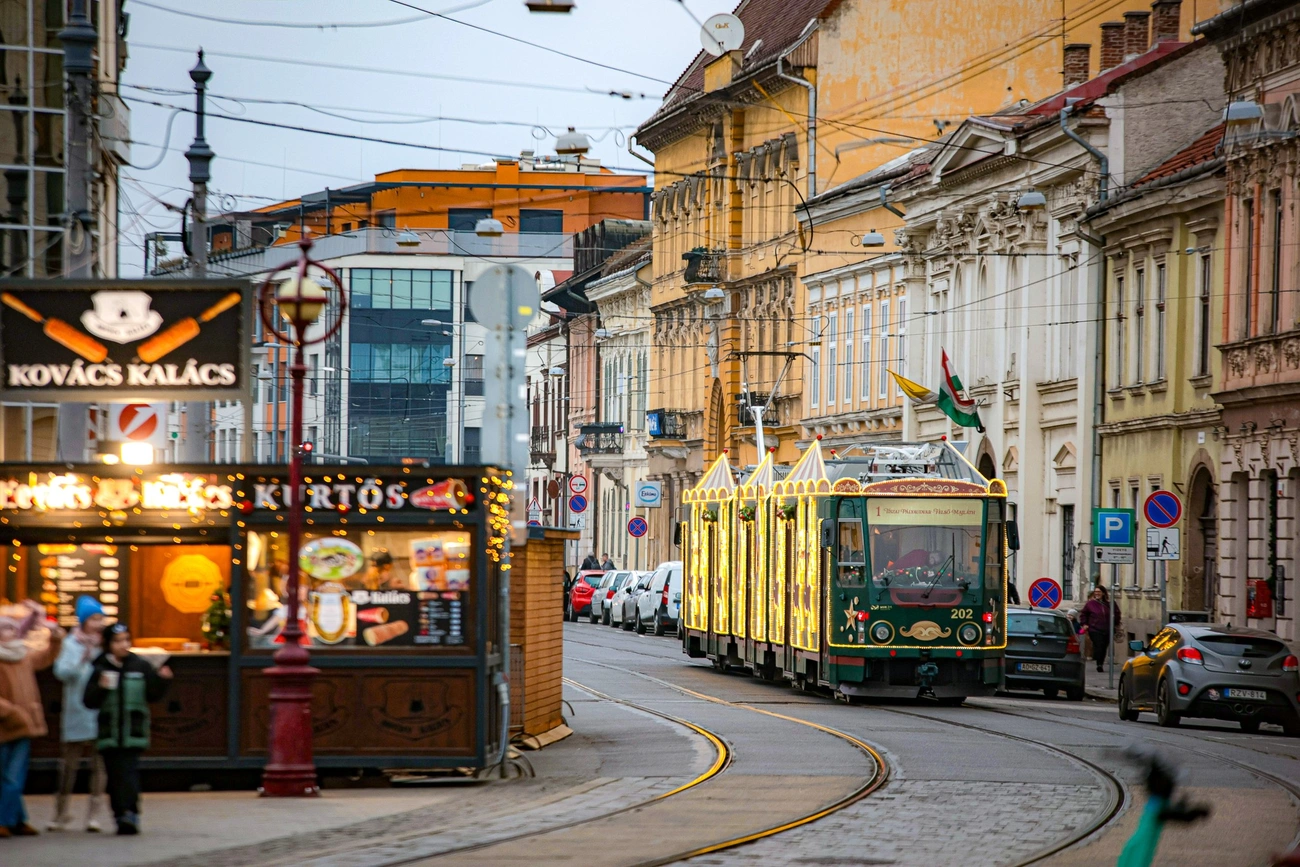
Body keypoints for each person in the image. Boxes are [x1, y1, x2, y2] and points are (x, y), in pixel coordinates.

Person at [83, 623, 172, 835]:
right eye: (117, 641)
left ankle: (129, 813)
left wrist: (163, 681)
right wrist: (101, 688)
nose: (123, 645)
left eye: (126, 640)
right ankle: (120, 813)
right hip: (109, 731)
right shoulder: (100, 666)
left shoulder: (139, 665)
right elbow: (88, 701)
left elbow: (153, 695)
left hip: (133, 730)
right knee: (114, 775)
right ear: (108, 644)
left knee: (128, 772)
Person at [0, 599, 64, 838]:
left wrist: (55, 638)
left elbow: (47, 657)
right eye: (6, 628)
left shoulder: (23, 655)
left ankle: (15, 819)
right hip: (6, 724)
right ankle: (7, 820)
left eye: (13, 628)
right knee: (9, 775)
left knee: (14, 774)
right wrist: (12, 713)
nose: (12, 631)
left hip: (25, 724)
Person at [49, 596, 108, 832]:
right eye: (94, 618)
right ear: (83, 620)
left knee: (99, 764)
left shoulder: (105, 644)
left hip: (99, 711)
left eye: (101, 618)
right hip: (75, 710)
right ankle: (60, 813)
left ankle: (94, 815)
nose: (99, 623)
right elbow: (61, 672)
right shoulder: (70, 643)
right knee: (68, 765)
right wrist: (80, 661)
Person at [1079, 584, 1122, 673]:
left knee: (1104, 647)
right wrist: (1085, 624)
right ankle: (1098, 663)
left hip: (1108, 629)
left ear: (1103, 593)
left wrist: (1116, 623)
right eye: (1095, 592)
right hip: (1094, 628)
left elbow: (1117, 613)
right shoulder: (1090, 604)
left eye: (1099, 592)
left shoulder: (1110, 603)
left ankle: (1100, 663)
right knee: (1099, 645)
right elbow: (1084, 614)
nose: (1097, 594)